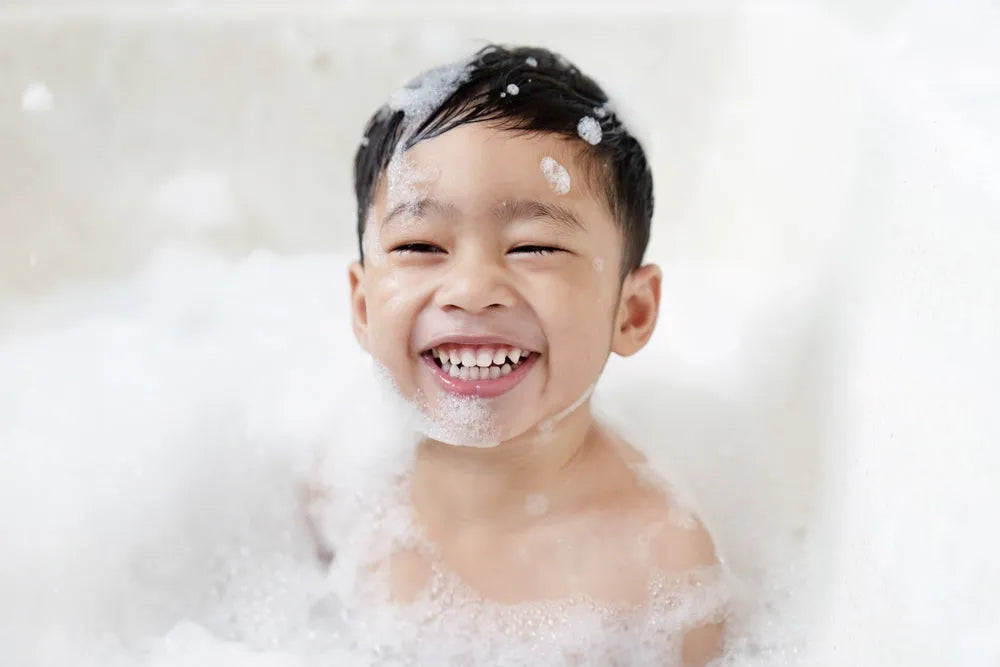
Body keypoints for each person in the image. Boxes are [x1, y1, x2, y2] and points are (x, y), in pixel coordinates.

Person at [308, 43, 729, 666]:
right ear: (364, 307)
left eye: (535, 247)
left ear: (632, 312)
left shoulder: (659, 568)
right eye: (421, 244)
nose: (473, 289)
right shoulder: (343, 482)